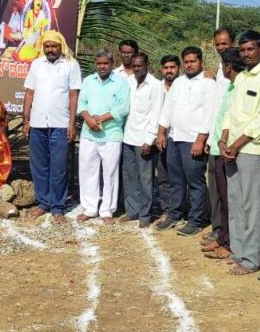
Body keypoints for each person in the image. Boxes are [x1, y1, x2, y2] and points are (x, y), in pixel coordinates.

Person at [220, 30, 260, 275]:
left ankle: (251, 258)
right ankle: (238, 251)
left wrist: (237, 144)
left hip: (252, 150)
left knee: (251, 204)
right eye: (242, 50)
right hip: (230, 149)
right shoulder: (242, 77)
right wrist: (224, 140)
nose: (245, 54)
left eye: (250, 49)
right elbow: (229, 113)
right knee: (235, 203)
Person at [22, 30, 82, 224]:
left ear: (60, 46)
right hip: (38, 123)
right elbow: (29, 93)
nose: (50, 50)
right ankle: (43, 203)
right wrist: (26, 120)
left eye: (54, 46)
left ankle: (57, 207)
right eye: (47, 46)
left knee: (58, 167)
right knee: (39, 166)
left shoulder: (71, 65)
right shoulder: (36, 64)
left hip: (60, 124)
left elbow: (73, 96)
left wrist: (71, 124)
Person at [156, 46, 216, 235]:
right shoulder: (179, 83)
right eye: (187, 62)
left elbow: (210, 113)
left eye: (193, 61)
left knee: (195, 182)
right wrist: (161, 132)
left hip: (193, 141)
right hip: (175, 138)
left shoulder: (208, 84)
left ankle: (195, 220)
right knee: (175, 180)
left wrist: (201, 139)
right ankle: (174, 214)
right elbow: (168, 108)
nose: (189, 65)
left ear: (200, 62)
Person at [76, 50, 130, 225]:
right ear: (95, 63)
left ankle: (107, 210)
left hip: (111, 134)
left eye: (105, 63)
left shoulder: (121, 83)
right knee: (87, 170)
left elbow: (123, 108)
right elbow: (81, 103)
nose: (102, 67)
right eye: (99, 63)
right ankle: (90, 208)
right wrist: (88, 119)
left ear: (112, 64)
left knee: (110, 172)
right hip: (89, 133)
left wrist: (100, 119)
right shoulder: (88, 81)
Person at [203, 48, 244, 260]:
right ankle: (223, 236)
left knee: (230, 200)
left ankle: (229, 243)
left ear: (228, 67)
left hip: (229, 151)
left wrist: (227, 143)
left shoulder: (240, 87)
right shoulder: (230, 87)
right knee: (222, 196)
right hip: (219, 147)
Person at [121, 52, 165, 227]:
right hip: (128, 137)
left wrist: (149, 139)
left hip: (144, 140)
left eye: (140, 65)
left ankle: (145, 215)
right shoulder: (129, 82)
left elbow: (156, 113)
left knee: (145, 179)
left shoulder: (155, 85)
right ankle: (132, 211)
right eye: (134, 66)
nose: (137, 68)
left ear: (147, 65)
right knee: (130, 176)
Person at [203, 27, 236, 247]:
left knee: (229, 194)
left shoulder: (237, 74)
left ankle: (228, 235)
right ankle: (218, 229)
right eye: (218, 44)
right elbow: (215, 108)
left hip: (230, 142)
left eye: (225, 43)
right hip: (215, 141)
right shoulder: (219, 71)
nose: (221, 47)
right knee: (215, 189)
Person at [152, 54, 181, 224]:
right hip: (158, 138)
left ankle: (185, 209)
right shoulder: (157, 87)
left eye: (173, 67)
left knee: (181, 176)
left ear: (179, 68)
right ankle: (168, 209)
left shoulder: (184, 85)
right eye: (166, 68)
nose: (169, 71)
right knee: (163, 176)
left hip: (179, 137)